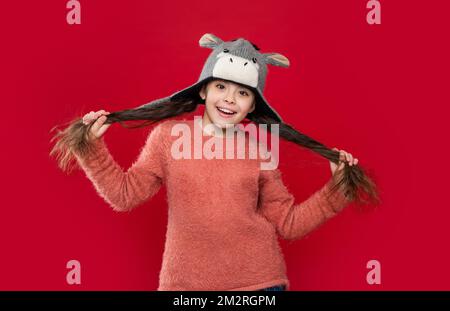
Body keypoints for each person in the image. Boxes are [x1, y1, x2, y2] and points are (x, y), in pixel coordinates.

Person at [50, 33, 379, 291]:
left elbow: (289, 223)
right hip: (185, 287)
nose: (229, 99)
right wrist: (91, 149)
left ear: (252, 106)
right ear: (204, 91)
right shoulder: (168, 137)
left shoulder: (258, 152)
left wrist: (337, 190)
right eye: (220, 86)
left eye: (242, 93)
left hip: (258, 286)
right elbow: (125, 195)